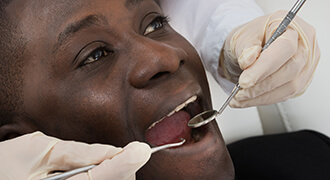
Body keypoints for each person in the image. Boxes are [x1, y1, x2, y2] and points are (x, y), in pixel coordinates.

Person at [0, 0, 325, 179]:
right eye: (94, 55)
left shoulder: (304, 160)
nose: (166, 57)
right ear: (17, 144)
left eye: (155, 23)